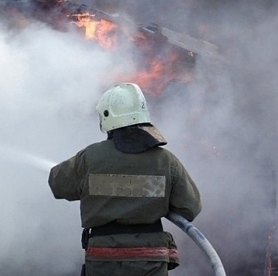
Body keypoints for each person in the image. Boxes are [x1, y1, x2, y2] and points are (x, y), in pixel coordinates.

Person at [48, 83, 201, 276]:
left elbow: (57, 184)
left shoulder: (90, 158)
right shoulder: (166, 161)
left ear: (106, 118)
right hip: (150, 260)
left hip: (103, 259)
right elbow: (190, 208)